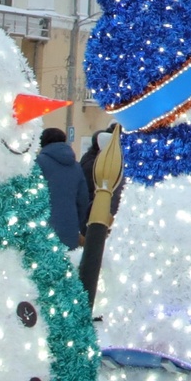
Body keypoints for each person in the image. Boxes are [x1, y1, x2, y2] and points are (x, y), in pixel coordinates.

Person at [75, 117, 123, 306]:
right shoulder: (99, 163)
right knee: (95, 259)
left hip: (95, 216)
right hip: (96, 217)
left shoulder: (90, 160)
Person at [34, 125, 89, 250]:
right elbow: (83, 199)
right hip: (69, 226)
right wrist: (77, 223)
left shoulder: (38, 163)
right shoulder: (76, 166)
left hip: (42, 227)